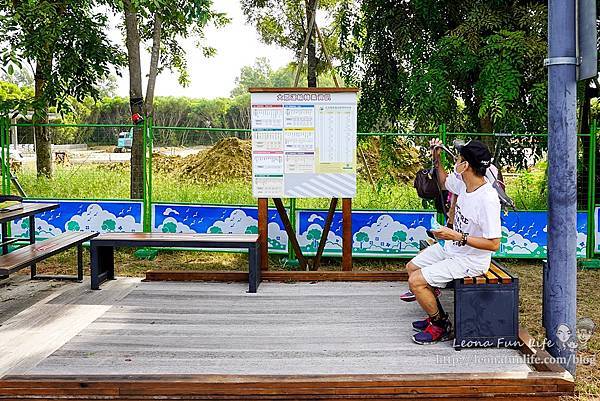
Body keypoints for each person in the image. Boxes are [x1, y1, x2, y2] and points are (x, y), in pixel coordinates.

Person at [404, 138, 502, 345]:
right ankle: (434, 309)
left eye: (458, 158)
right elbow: (442, 181)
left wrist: (457, 236)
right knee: (412, 268)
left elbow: (494, 244)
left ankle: (440, 325)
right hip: (453, 248)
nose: (455, 161)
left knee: (416, 281)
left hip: (471, 261)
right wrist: (436, 157)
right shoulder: (464, 183)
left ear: (465, 165)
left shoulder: (487, 199)